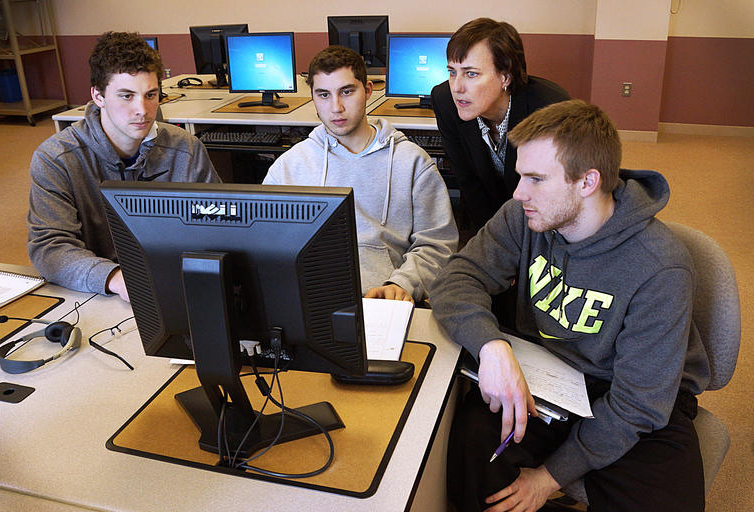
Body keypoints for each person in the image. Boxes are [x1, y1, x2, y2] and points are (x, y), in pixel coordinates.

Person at [430, 100, 710, 512]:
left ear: (587, 182)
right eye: (521, 174)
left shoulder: (660, 266)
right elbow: (455, 279)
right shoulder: (522, 216)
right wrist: (491, 346)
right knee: (472, 448)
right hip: (550, 379)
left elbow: (637, 406)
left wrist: (547, 479)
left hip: (633, 394)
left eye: (536, 179)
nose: (518, 192)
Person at [28, 32, 219, 301]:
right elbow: (50, 248)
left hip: (178, 288)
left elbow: (219, 228)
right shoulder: (57, 159)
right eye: (126, 96)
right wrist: (116, 280)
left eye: (151, 95)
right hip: (100, 293)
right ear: (98, 96)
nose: (142, 109)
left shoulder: (186, 149)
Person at [264, 46, 458, 303]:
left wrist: (402, 284)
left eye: (347, 91)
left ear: (367, 90)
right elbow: (267, 245)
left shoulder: (412, 162)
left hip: (384, 298)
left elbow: (437, 244)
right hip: (311, 297)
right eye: (323, 94)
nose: (336, 107)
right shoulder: (288, 167)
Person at [431, 18, 570, 234]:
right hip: (486, 219)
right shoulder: (444, 100)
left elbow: (552, 190)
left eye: (471, 74)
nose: (457, 87)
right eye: (452, 72)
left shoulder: (549, 107)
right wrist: (493, 240)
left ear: (505, 76)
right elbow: (468, 180)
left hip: (543, 222)